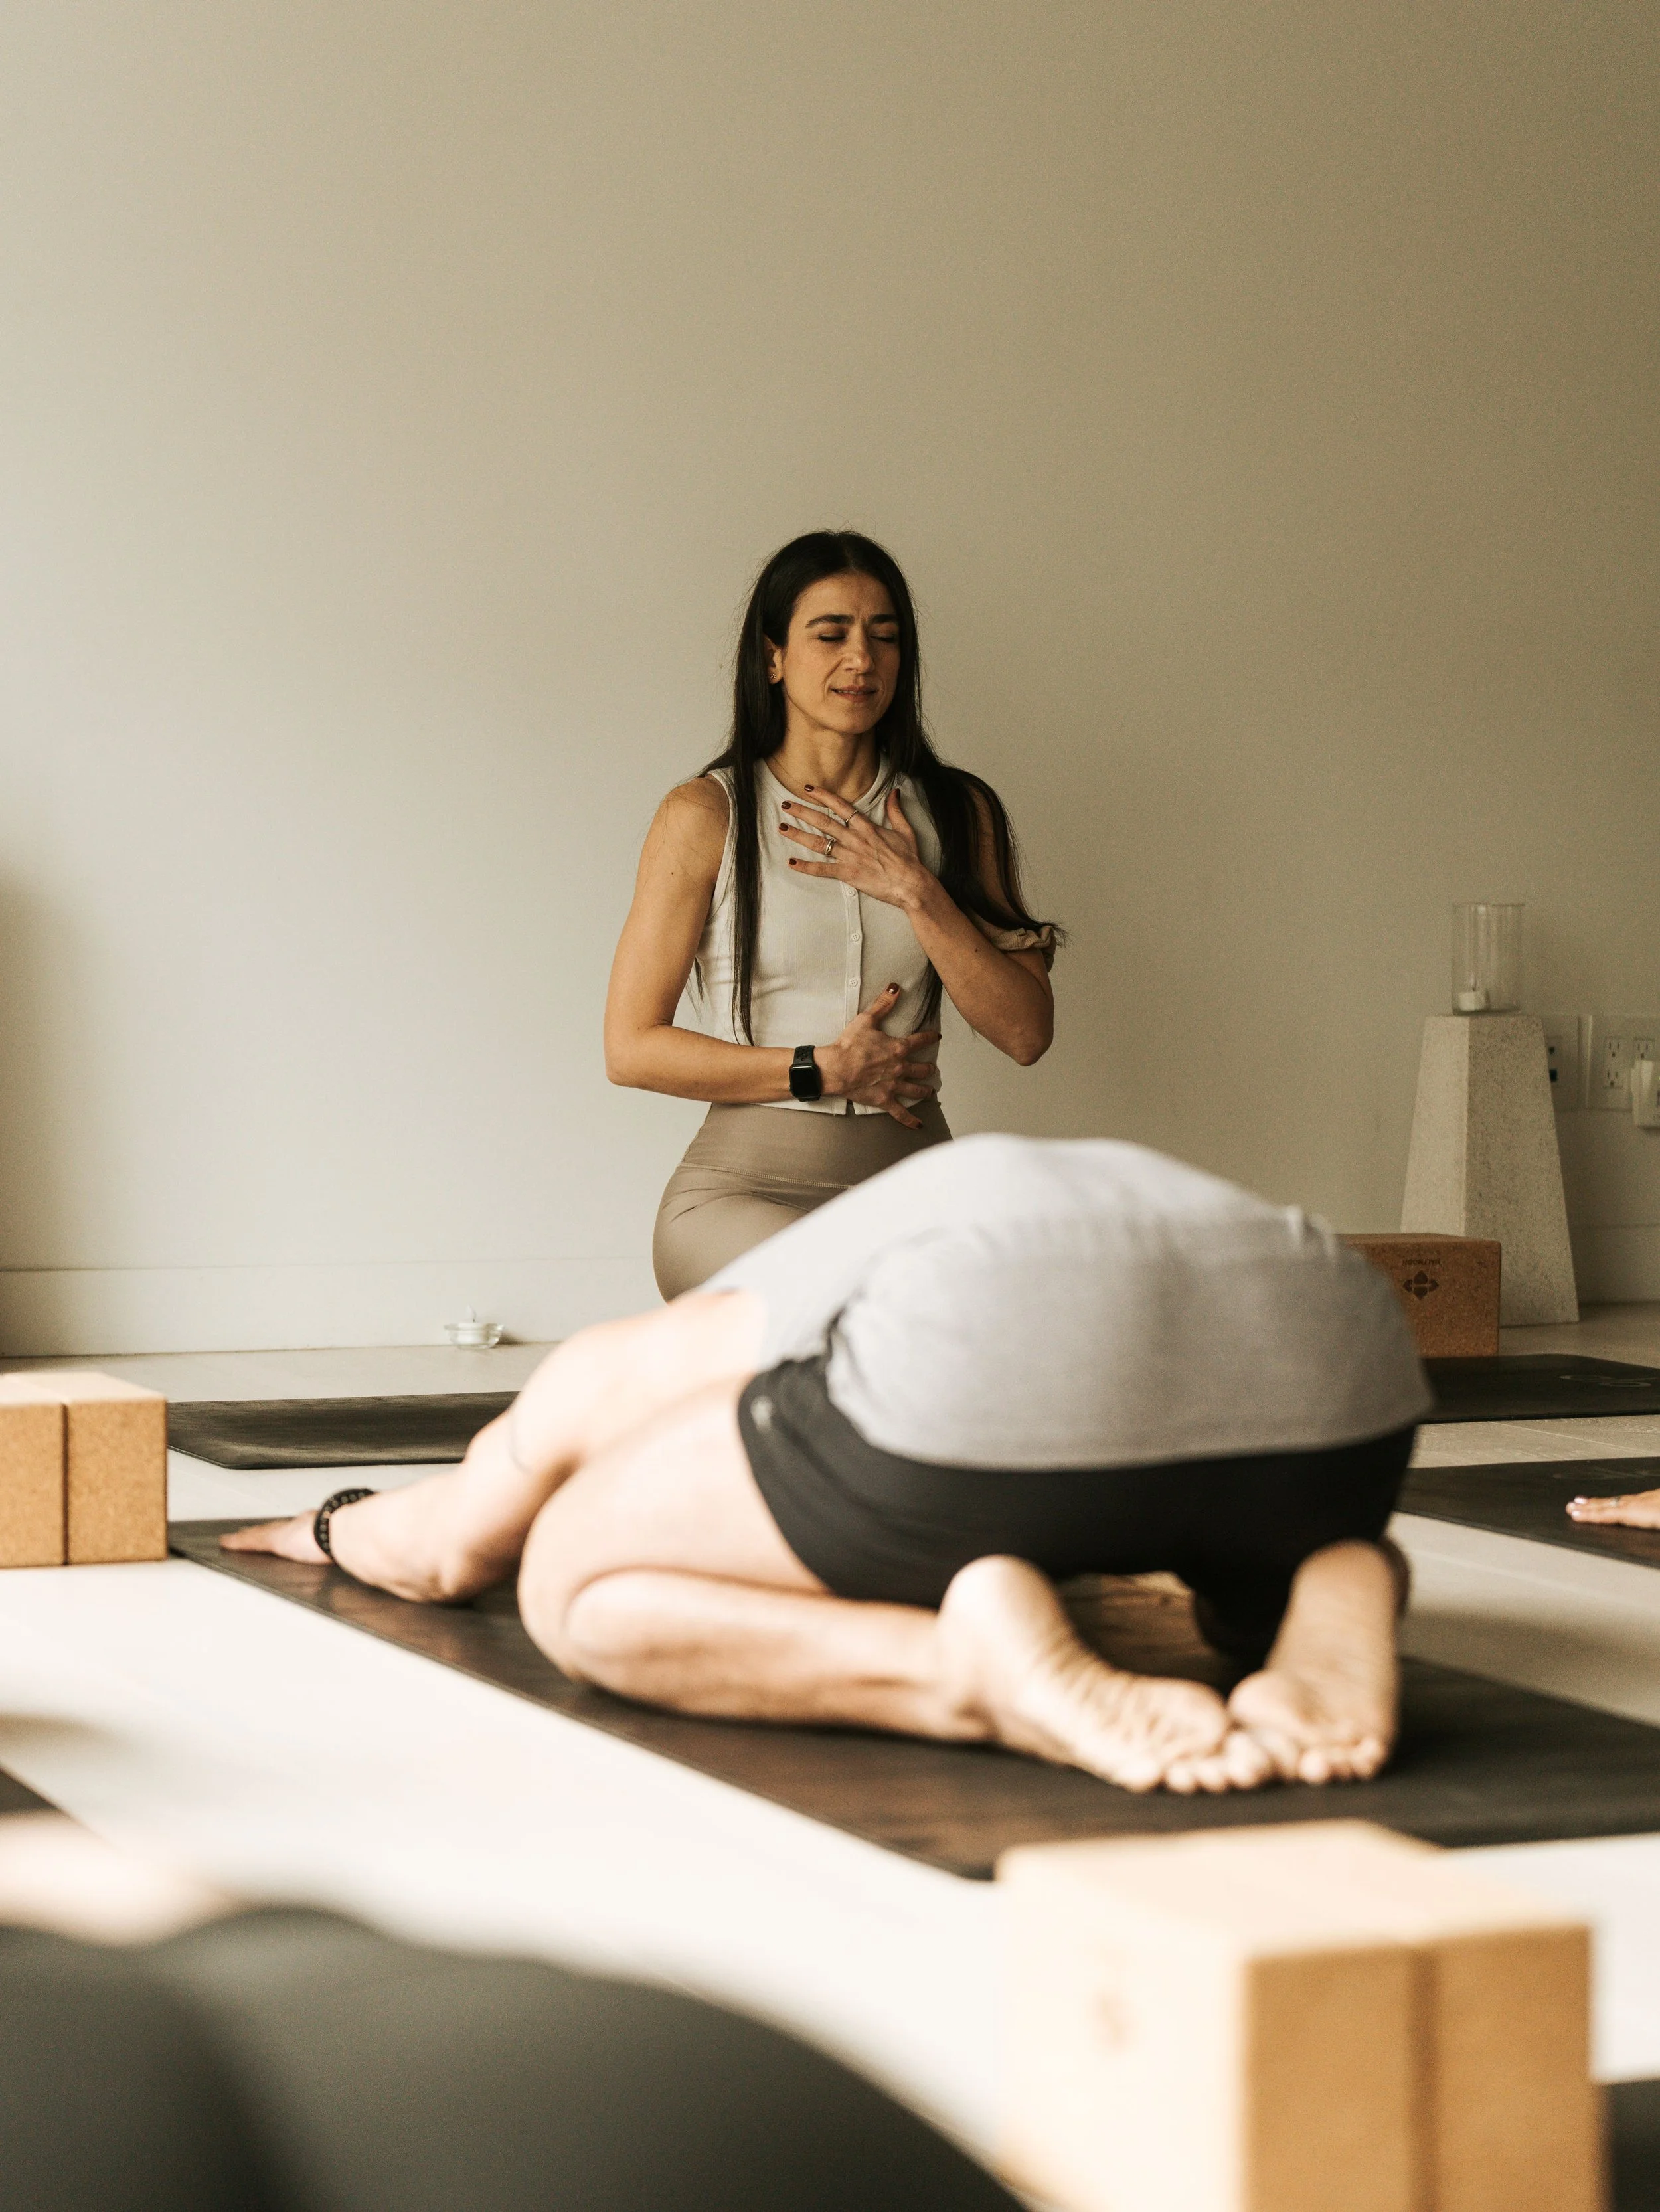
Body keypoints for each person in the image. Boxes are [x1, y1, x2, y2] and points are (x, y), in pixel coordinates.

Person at [227, 1136, 1431, 1797]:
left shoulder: (757, 1299)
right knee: (1182, 1509)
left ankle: (963, 1671)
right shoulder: (985, 1191)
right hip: (1344, 1374)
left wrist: (335, 1522)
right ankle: (1329, 1579)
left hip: (1005, 1358)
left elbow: (452, 1546)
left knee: (571, 1585)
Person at [603, 530, 1059, 1300]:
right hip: (744, 1194)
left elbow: (1026, 1032)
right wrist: (820, 1068)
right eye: (832, 634)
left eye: (885, 637)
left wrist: (917, 890)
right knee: (847, 1293)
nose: (862, 659)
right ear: (774, 657)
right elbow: (631, 1048)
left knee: (1019, 1315)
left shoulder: (957, 811)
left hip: (913, 1189)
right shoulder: (704, 814)